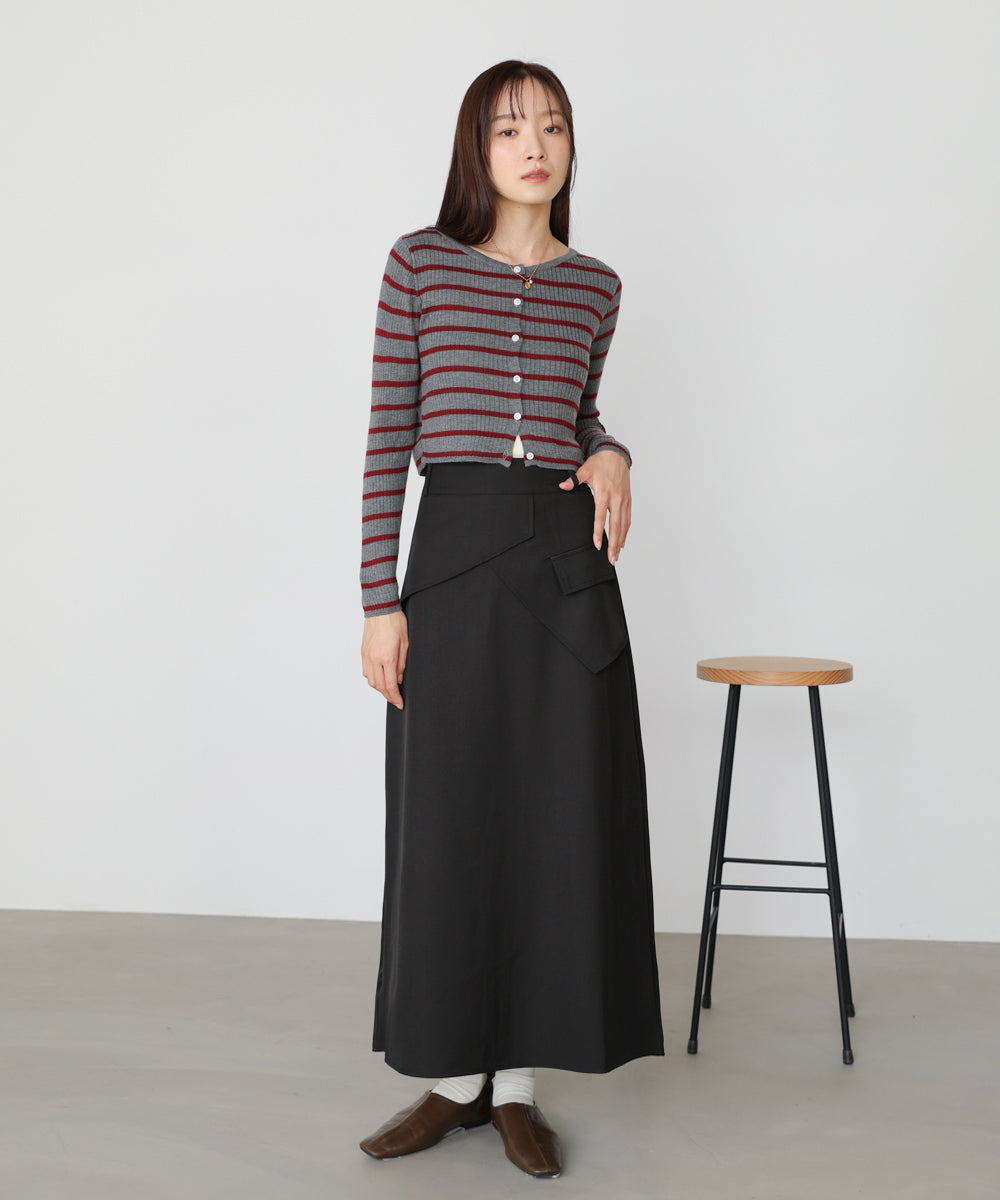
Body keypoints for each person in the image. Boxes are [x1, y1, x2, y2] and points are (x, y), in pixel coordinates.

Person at [358, 60, 664, 1179]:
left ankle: (519, 1087)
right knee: (451, 821)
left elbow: (578, 414)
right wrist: (377, 600)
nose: (533, 145)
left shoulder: (598, 286)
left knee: (554, 820)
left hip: (564, 569)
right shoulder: (420, 265)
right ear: (475, 150)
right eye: (507, 129)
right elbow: (387, 437)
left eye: (551, 126)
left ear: (570, 146)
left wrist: (611, 449)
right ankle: (454, 1081)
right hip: (451, 561)